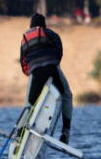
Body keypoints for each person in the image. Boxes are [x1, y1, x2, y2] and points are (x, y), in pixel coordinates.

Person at [19, 13, 73, 143]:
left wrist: (31, 73)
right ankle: (65, 131)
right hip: (52, 67)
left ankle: (20, 133)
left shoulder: (24, 38)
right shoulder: (51, 34)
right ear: (44, 24)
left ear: (30, 25)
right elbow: (59, 53)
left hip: (35, 71)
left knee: (29, 103)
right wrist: (53, 65)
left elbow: (23, 63)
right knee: (66, 95)